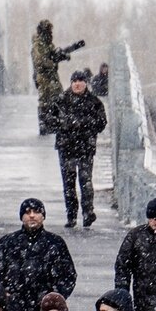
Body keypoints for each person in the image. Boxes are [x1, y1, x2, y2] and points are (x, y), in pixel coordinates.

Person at [0, 200, 77, 311]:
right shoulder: (8, 242)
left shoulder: (55, 243)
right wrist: (4, 296)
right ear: (21, 217)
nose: (32, 215)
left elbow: (69, 275)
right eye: (27, 212)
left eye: (36, 212)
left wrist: (54, 299)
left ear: (43, 216)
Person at [47, 68, 108, 229]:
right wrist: (65, 124)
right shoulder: (61, 100)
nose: (77, 84)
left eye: (80, 81)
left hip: (85, 147)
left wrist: (85, 124)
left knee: (85, 181)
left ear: (85, 83)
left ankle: (88, 212)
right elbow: (49, 120)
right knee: (68, 183)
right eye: (74, 81)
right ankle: (71, 215)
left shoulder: (94, 102)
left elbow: (101, 122)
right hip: (66, 147)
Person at [31, 19, 84, 134]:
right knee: (45, 100)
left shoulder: (47, 43)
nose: (51, 32)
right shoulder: (38, 44)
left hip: (51, 75)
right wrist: (53, 61)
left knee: (58, 97)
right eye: (49, 30)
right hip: (43, 76)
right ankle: (44, 124)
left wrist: (64, 54)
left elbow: (53, 55)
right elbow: (40, 61)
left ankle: (53, 122)